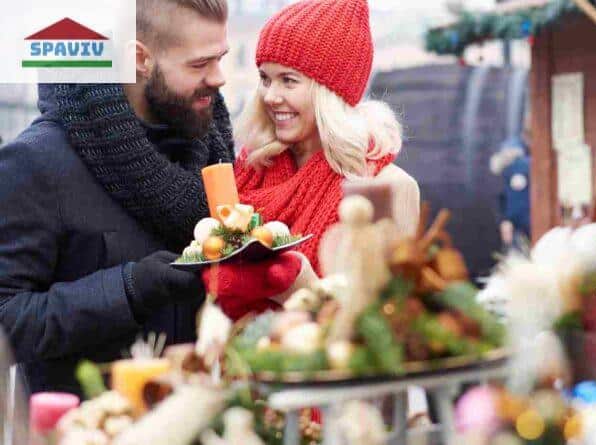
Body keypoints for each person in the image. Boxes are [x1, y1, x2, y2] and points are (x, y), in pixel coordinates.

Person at [0, 0, 234, 394]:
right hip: (89, 428)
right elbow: (7, 319)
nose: (220, 77)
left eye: (221, 58)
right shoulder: (36, 161)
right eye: (199, 65)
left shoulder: (215, 146)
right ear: (140, 59)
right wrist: (128, 289)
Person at [203, 0, 420, 319]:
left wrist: (305, 288)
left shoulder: (386, 187)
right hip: (236, 362)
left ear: (331, 91)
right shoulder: (250, 170)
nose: (271, 96)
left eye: (288, 80)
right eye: (265, 78)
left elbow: (389, 327)